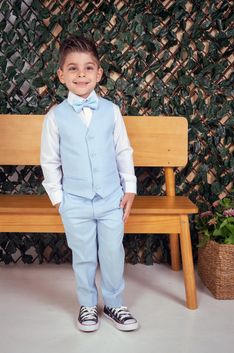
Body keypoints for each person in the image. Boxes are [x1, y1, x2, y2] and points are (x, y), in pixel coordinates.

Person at [40, 34, 139, 332]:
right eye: (72, 68)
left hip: (111, 199)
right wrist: (59, 200)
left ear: (99, 73)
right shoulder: (55, 117)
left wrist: (130, 188)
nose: (81, 74)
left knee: (112, 252)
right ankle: (86, 304)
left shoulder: (111, 111)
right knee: (83, 255)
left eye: (88, 67)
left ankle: (114, 303)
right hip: (75, 201)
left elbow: (123, 150)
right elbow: (50, 161)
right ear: (61, 75)